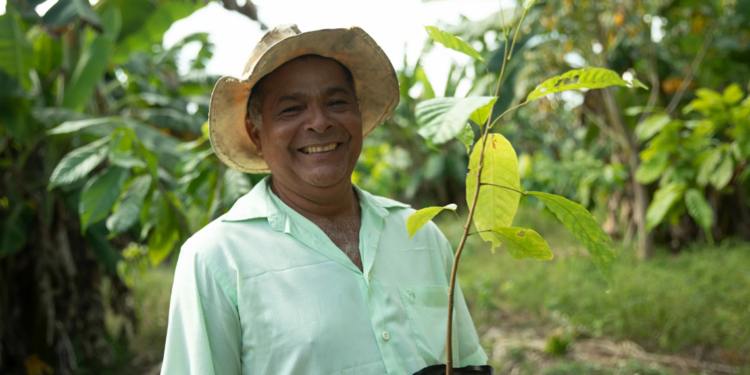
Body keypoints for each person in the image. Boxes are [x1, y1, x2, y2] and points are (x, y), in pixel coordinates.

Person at [160, 24, 486, 375]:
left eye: (336, 102)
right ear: (257, 133)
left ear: (358, 116)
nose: (319, 122)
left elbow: (468, 365)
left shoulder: (419, 233)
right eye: (291, 109)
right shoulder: (216, 259)